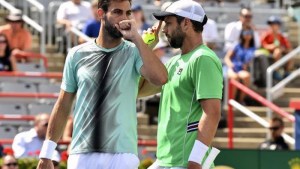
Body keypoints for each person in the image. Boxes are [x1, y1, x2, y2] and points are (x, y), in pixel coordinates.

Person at [37, 0, 167, 168]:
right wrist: (47, 153)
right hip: (81, 154)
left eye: (128, 13)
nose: (124, 19)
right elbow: (63, 104)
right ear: (100, 14)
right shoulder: (76, 54)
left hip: (123, 155)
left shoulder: (135, 51)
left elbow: (161, 79)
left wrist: (137, 39)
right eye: (117, 12)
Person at [139, 0, 223, 168]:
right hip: (166, 160)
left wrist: (195, 160)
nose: (163, 29)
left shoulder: (203, 58)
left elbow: (212, 113)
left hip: (186, 162)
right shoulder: (173, 62)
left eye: (168, 23)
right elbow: (139, 90)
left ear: (186, 23)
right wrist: (146, 47)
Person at [224, 26, 255, 104]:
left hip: (241, 69)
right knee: (235, 77)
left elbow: (249, 61)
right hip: (231, 67)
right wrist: (231, 65)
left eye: (250, 33)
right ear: (242, 34)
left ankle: (240, 100)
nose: (248, 35)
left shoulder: (252, 48)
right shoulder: (236, 45)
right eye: (246, 32)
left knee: (246, 76)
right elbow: (227, 58)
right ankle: (231, 101)